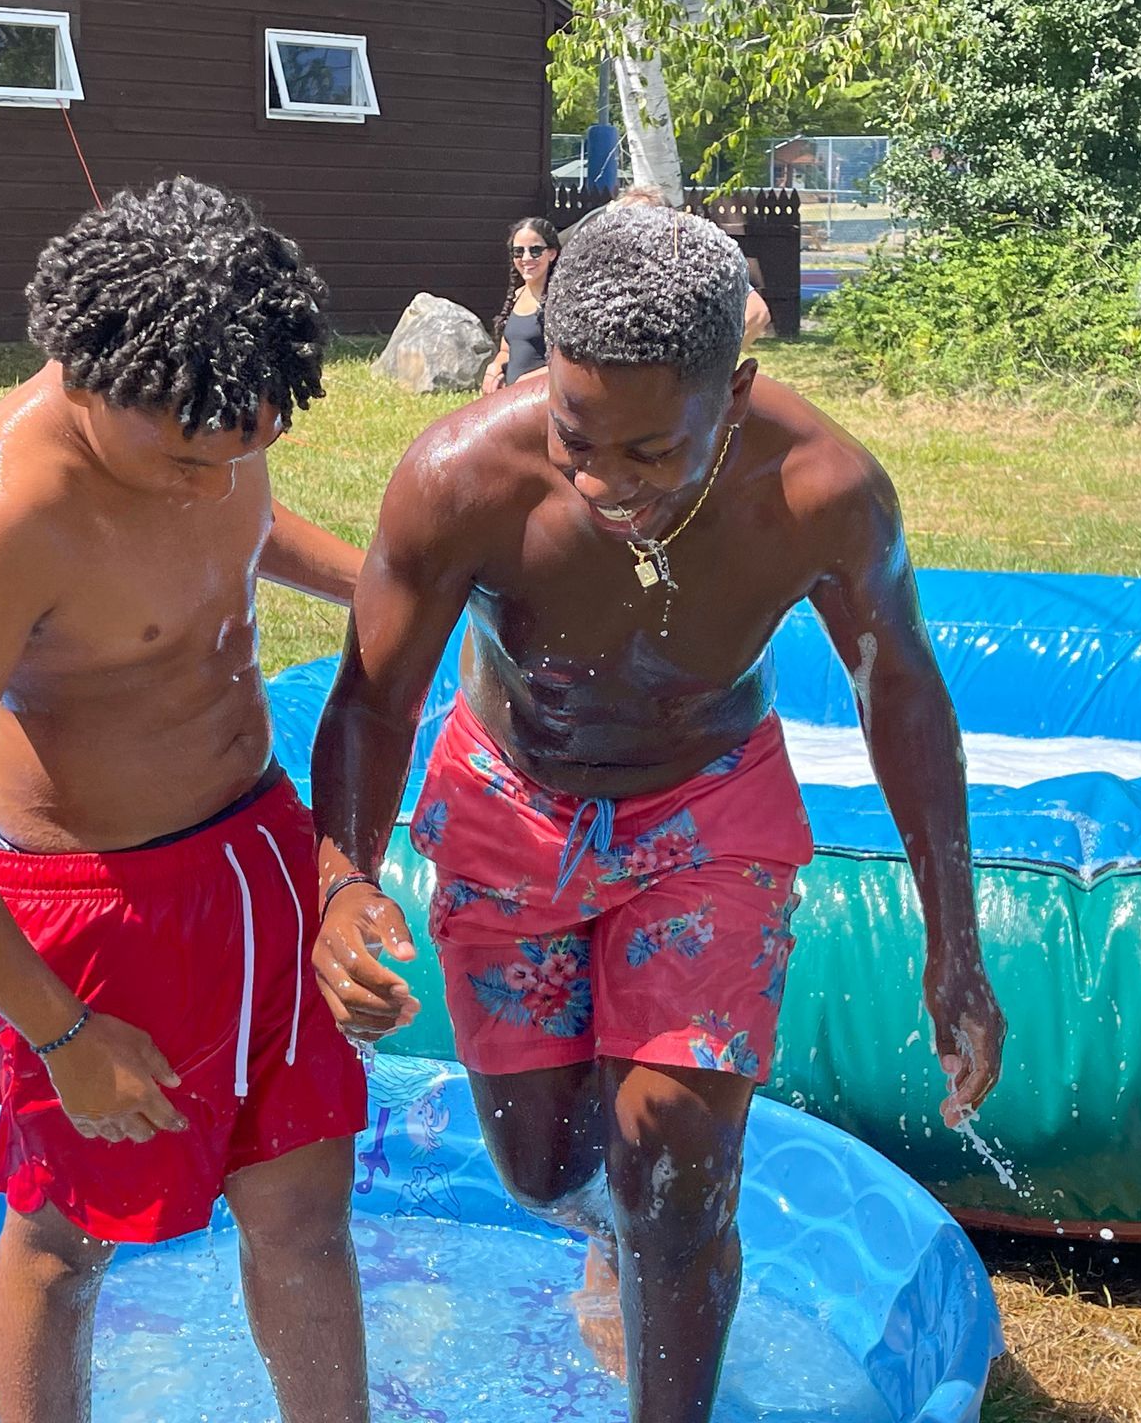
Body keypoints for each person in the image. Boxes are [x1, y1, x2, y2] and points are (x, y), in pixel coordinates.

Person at [308, 204, 1005, 1420]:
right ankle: (611, 1226)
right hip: (511, 809)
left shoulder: (821, 492)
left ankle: (662, 1286)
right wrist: (342, 881)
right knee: (543, 1173)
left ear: (732, 392)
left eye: (649, 452)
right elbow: (372, 702)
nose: (603, 482)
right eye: (578, 436)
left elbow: (902, 694)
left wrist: (955, 940)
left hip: (707, 817)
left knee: (676, 1187)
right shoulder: (462, 476)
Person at [0, 178, 371, 1423]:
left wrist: (383, 586)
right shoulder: (5, 522)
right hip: (98, 919)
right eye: (188, 460)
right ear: (86, 375)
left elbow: (240, 520)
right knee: (65, 1242)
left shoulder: (209, 406)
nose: (216, 485)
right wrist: (62, 1033)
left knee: (305, 1215)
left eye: (247, 448)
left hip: (258, 851)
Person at [582, 184, 772, 346]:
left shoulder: (694, 267)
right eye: (625, 224)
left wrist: (716, 364)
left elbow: (757, 314)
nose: (635, 233)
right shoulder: (601, 269)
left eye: (644, 224)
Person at [481, 216, 561, 393]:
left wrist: (529, 380)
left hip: (544, 399)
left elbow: (568, 362)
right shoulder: (516, 296)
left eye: (535, 250)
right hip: (513, 399)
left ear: (552, 254)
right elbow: (506, 350)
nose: (526, 258)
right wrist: (495, 366)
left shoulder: (560, 301)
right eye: (518, 251)